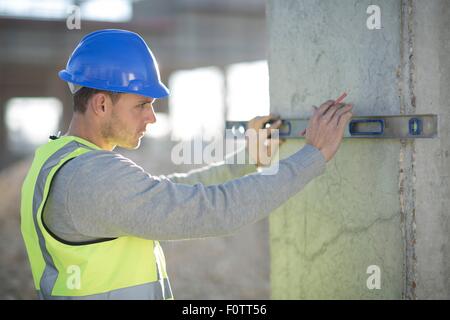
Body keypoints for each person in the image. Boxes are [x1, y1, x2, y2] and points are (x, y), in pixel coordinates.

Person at [20, 29, 353, 300]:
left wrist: (247, 160)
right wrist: (314, 155)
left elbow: (172, 190)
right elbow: (213, 210)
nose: (152, 117)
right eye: (142, 105)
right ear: (102, 104)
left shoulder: (61, 159)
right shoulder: (92, 178)